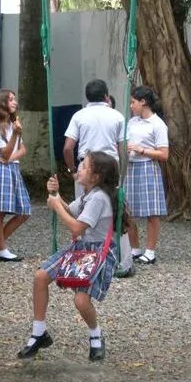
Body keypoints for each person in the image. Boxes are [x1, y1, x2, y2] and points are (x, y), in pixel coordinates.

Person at [18, 151, 129, 361]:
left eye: (85, 166)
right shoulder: (88, 194)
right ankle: (39, 332)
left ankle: (96, 336)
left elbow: (76, 227)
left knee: (81, 300)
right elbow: (71, 210)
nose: (79, 167)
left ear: (96, 177)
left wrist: (56, 206)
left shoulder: (99, 198)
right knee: (41, 276)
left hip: (96, 253)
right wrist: (56, 195)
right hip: (80, 248)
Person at [63, 80, 133, 276]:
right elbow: (123, 148)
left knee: (82, 212)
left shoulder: (79, 116)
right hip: (110, 168)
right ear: (106, 97)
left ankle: (84, 259)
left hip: (86, 168)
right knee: (117, 214)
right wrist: (122, 173)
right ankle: (123, 262)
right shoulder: (117, 116)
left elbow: (68, 147)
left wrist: (73, 171)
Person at [0, 89, 30, 262]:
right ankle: (2, 250)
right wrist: (15, 136)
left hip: (12, 169)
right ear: (2, 103)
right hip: (1, 172)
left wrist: (9, 159)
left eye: (14, 100)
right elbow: (5, 152)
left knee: (24, 212)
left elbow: (22, 149)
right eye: (10, 100)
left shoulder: (13, 123)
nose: (14, 103)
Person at [122, 86, 169, 265]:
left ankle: (150, 251)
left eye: (133, 102)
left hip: (149, 167)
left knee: (152, 212)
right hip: (131, 167)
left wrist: (142, 150)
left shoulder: (158, 124)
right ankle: (135, 248)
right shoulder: (132, 122)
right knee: (128, 211)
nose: (131, 106)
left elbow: (164, 154)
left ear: (143, 102)